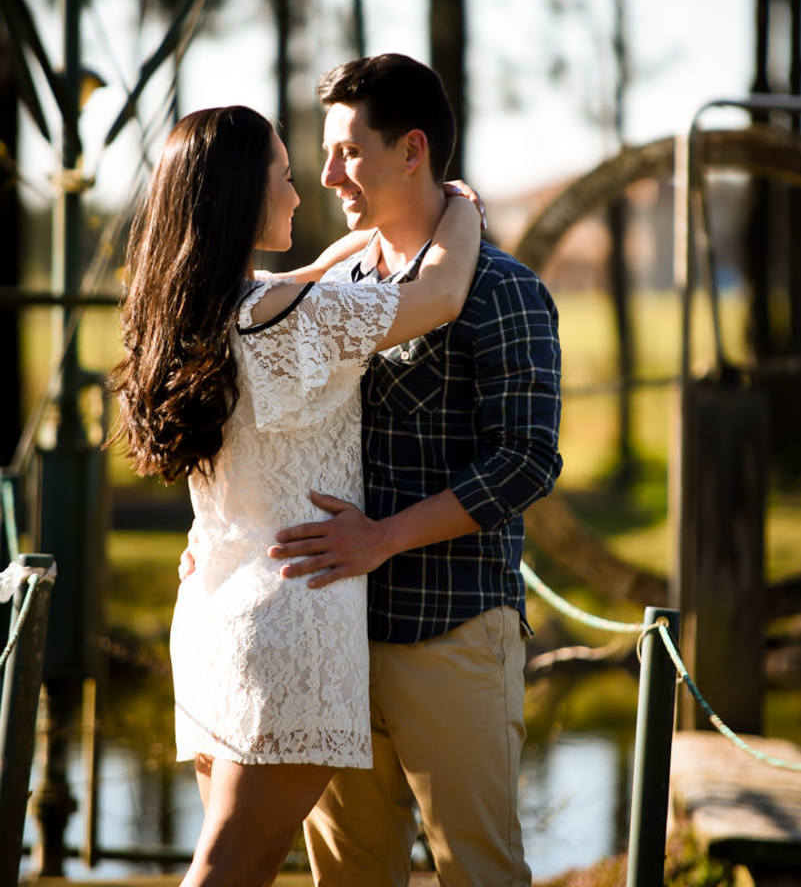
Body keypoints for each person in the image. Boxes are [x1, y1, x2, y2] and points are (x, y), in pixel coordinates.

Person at [108, 104, 481, 887]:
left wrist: (371, 239)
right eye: (282, 176)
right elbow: (442, 293)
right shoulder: (282, 317)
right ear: (242, 196)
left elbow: (316, 271)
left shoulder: (204, 310)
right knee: (228, 870)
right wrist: (460, 209)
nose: (298, 193)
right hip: (288, 624)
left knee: (231, 861)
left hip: (215, 611)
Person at [268, 53, 563, 887]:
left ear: (412, 150)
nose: (328, 174)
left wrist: (382, 538)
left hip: (453, 632)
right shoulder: (334, 287)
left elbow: (526, 462)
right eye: (325, 154)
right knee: (348, 877)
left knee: (479, 871)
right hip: (332, 634)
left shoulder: (503, 291)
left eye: (348, 152)